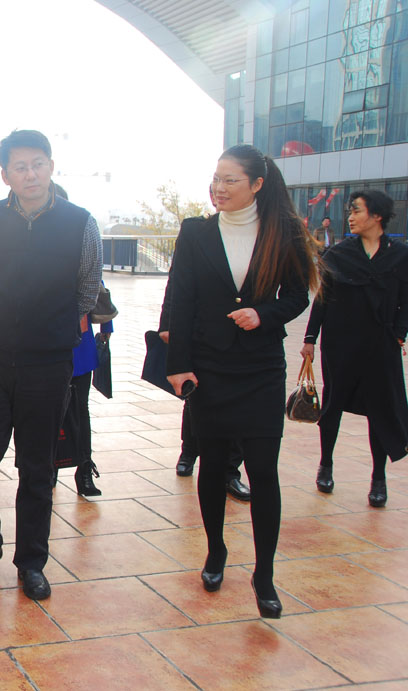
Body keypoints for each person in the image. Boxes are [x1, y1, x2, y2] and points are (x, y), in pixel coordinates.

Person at [166, 144, 317, 619]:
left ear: (257, 185)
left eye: (230, 180)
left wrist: (264, 314)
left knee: (263, 471)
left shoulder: (284, 232)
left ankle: (264, 574)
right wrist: (178, 364)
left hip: (259, 369)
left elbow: (298, 295)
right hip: (209, 367)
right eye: (216, 178)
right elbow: (180, 299)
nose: (219, 187)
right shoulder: (195, 232)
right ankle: (216, 552)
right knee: (212, 466)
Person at [0, 130, 102, 601]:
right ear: (6, 175)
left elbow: (87, 287)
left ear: (51, 166)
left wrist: (52, 327)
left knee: (37, 466)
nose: (30, 174)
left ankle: (31, 562)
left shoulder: (80, 222)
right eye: (20, 167)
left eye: (38, 164)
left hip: (47, 360)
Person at [301, 190, 408, 508]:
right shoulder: (338, 254)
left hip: (381, 344)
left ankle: (378, 478)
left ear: (377, 216)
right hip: (340, 343)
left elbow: (406, 300)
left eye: (357, 211)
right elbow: (322, 298)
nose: (350, 217)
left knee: (380, 409)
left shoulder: (400, 255)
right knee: (332, 405)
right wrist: (310, 338)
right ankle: (325, 465)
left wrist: (399, 334)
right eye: (350, 211)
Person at [160, 184, 252, 502]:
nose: (219, 194)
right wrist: (167, 325)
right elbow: (177, 282)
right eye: (214, 189)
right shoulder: (198, 231)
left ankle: (231, 471)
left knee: (239, 409)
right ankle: (189, 452)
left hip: (243, 335)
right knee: (196, 397)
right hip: (201, 333)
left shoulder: (257, 234)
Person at [67, 294, 112, 496]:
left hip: (80, 343)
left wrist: (106, 325)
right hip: (46, 341)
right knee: (49, 410)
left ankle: (84, 468)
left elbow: (98, 286)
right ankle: (50, 466)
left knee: (80, 410)